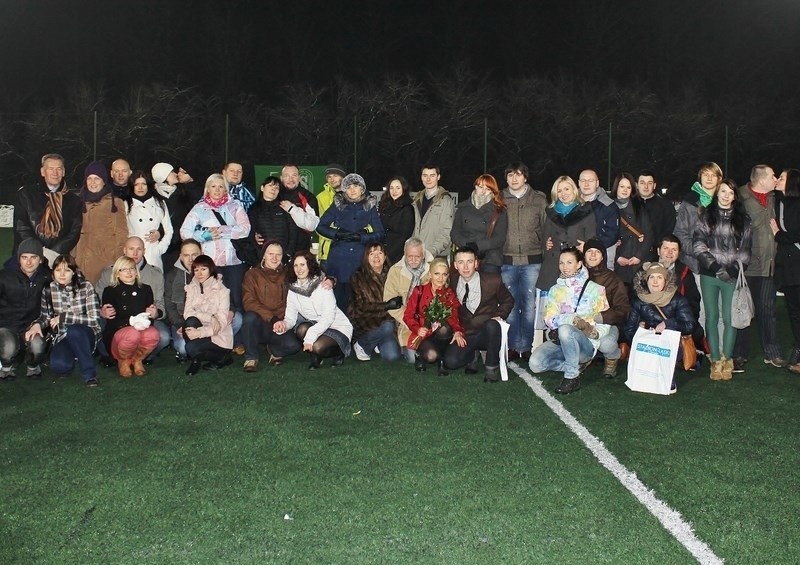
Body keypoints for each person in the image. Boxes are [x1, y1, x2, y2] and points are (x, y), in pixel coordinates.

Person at [528, 247, 609, 394]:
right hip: (560, 341)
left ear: (579, 264)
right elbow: (549, 320)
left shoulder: (596, 289)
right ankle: (575, 366)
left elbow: (605, 321)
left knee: (565, 329)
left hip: (585, 345)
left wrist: (594, 333)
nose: (564, 267)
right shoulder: (555, 290)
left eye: (569, 262)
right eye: (561, 263)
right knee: (535, 365)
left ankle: (571, 377)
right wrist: (571, 318)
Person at [693, 179, 752, 380]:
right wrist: (717, 268)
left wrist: (733, 270)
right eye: (723, 191)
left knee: (729, 318)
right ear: (717, 193)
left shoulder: (743, 219)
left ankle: (727, 360)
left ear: (735, 196)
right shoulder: (705, 215)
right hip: (710, 274)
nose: (726, 195)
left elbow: (745, 251)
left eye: (730, 192)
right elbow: (698, 245)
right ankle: (715, 360)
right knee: (711, 317)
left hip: (732, 276)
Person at [733, 165, 786, 370]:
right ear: (762, 180)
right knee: (743, 310)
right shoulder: (740, 199)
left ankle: (772, 353)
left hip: (769, 266)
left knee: (768, 310)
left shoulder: (775, 198)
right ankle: (739, 353)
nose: (776, 179)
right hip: (747, 267)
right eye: (773, 176)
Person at [180, 173, 252, 312]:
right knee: (213, 301)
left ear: (226, 189)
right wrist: (204, 235)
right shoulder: (199, 208)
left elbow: (245, 229)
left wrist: (221, 231)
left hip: (234, 262)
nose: (217, 190)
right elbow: (184, 232)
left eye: (221, 187)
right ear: (207, 189)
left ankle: (237, 331)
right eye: (213, 186)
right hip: (211, 263)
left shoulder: (235, 206)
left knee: (236, 300)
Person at [443, 247, 514, 382]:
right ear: (455, 265)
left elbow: (508, 300)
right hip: (466, 334)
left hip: (487, 332)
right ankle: (472, 355)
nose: (465, 267)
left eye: (469, 262)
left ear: (476, 263)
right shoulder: (452, 281)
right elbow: (449, 310)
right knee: (451, 362)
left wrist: (499, 315)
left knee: (493, 325)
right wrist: (455, 331)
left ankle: (491, 367)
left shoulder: (493, 280)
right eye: (461, 262)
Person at [316, 173, 385, 310]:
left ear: (362, 189)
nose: (352, 190)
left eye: (356, 186)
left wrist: (362, 237)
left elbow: (380, 234)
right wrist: (337, 234)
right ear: (344, 189)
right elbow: (320, 226)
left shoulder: (369, 207)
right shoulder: (338, 205)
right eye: (348, 187)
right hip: (338, 259)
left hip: (360, 258)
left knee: (358, 300)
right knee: (338, 301)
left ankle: (358, 330)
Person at [97, 236, 170, 363]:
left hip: (145, 319)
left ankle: (142, 357)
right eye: (131, 249)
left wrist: (156, 312)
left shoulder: (155, 274)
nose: (135, 253)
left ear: (144, 251)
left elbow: (160, 303)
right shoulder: (108, 272)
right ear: (124, 250)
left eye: (139, 249)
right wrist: (100, 311)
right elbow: (96, 298)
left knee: (163, 337)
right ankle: (112, 355)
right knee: (98, 328)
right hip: (117, 319)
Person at [501, 162, 547, 362]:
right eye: (510, 174)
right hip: (507, 260)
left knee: (529, 307)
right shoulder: (499, 198)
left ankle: (526, 347)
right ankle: (512, 346)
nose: (514, 178)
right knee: (510, 306)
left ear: (525, 177)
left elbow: (546, 229)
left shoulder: (539, 199)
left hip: (533, 261)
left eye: (518, 174)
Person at [275, 251, 353, 369]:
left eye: (302, 265)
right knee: (301, 329)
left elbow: (328, 318)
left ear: (310, 266)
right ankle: (316, 357)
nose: (299, 269)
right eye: (296, 265)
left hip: (337, 326)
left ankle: (339, 354)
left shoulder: (323, 285)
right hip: (318, 325)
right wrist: (283, 325)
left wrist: (310, 336)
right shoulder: (293, 288)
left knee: (317, 346)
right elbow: (290, 317)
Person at [624, 262, 696, 391]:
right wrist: (642, 331)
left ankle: (668, 379)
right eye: (652, 277)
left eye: (659, 277)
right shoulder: (639, 300)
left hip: (673, 346)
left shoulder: (677, 299)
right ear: (646, 280)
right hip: (648, 346)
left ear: (666, 281)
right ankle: (645, 376)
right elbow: (628, 329)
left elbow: (690, 325)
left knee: (670, 333)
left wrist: (668, 324)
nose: (655, 281)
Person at [36, 255, 101, 386]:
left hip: (87, 333)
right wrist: (36, 325)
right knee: (59, 366)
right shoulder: (48, 289)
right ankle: (77, 352)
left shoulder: (86, 287)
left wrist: (65, 317)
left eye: (67, 270)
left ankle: (89, 374)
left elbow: (94, 320)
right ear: (53, 272)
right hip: (62, 335)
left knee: (74, 330)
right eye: (58, 270)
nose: (62, 274)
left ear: (74, 272)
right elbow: (45, 317)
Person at [240, 241, 304, 371]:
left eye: (278, 255)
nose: (274, 258)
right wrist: (272, 318)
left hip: (280, 324)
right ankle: (251, 357)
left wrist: (330, 279)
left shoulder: (288, 274)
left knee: (294, 346)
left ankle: (275, 350)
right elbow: (249, 302)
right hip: (260, 322)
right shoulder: (252, 274)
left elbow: (310, 274)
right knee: (249, 317)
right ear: (263, 255)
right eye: (271, 254)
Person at [13, 153, 82, 265]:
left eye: (59, 169)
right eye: (50, 169)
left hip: (57, 259)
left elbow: (74, 232)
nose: (55, 173)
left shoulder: (74, 200)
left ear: (63, 172)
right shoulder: (26, 195)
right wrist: (39, 251)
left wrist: (53, 254)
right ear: (42, 171)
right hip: (29, 256)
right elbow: (22, 227)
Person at [0, 239, 51, 381]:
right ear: (18, 259)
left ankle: (33, 366)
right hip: (6, 325)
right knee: (8, 347)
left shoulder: (47, 277)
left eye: (33, 257)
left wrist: (39, 324)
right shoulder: (4, 276)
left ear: (40, 260)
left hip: (32, 325)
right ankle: (6, 367)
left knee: (38, 346)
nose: (29, 262)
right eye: (24, 257)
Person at [101, 256, 160, 378]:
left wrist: (153, 313)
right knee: (132, 334)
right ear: (117, 273)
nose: (129, 272)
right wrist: (131, 321)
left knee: (153, 334)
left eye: (132, 268)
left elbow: (149, 315)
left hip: (141, 327)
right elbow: (111, 320)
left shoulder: (146, 289)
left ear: (136, 271)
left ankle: (138, 359)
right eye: (124, 269)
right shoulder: (110, 291)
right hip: (118, 330)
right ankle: (123, 361)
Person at [403, 257, 463, 374]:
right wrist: (417, 328)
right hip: (424, 335)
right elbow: (408, 315)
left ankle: (442, 361)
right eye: (436, 274)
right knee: (431, 356)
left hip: (443, 335)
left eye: (444, 274)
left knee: (444, 328)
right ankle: (420, 356)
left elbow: (454, 317)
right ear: (430, 274)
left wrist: (457, 331)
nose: (440, 278)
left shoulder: (449, 294)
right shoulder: (419, 291)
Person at [73, 161, 129, 285]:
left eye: (97, 179)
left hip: (105, 262)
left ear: (104, 181)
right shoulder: (78, 203)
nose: (93, 183)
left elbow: (122, 234)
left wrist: (118, 262)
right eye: (89, 178)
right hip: (80, 262)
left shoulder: (114, 203)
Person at [538, 175, 596, 292]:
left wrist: (586, 247)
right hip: (553, 264)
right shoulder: (551, 212)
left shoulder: (585, 211)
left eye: (566, 189)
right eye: (559, 190)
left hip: (576, 262)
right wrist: (546, 243)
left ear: (573, 190)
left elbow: (592, 237)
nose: (563, 193)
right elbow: (545, 235)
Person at [582, 238, 630, 378]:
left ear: (603, 256)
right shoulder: (576, 276)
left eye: (597, 252)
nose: (592, 255)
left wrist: (603, 317)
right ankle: (582, 358)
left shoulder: (613, 278)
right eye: (589, 251)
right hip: (582, 324)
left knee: (606, 344)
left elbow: (624, 309)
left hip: (606, 325)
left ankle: (612, 357)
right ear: (583, 255)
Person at [349, 244, 403, 363]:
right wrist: (386, 306)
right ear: (366, 257)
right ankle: (362, 344)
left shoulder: (392, 273)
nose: (376, 257)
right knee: (388, 326)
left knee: (392, 357)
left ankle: (377, 340)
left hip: (388, 321)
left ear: (385, 256)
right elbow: (360, 307)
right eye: (371, 253)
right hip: (366, 320)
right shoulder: (358, 276)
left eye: (379, 253)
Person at [181, 255, 234, 376]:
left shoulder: (223, 291)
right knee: (190, 321)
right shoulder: (191, 288)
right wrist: (210, 317)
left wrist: (199, 333)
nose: (199, 273)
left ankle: (220, 357)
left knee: (191, 348)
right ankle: (198, 358)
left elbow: (221, 322)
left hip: (218, 335)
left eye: (203, 269)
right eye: (196, 270)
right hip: (199, 328)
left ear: (211, 270)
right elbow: (187, 313)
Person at [384, 237, 433, 362]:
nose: (413, 260)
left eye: (417, 256)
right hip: (405, 321)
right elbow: (390, 302)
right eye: (409, 256)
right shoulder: (395, 271)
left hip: (429, 322)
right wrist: (410, 321)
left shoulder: (433, 270)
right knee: (412, 359)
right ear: (404, 254)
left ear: (423, 255)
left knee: (430, 355)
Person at [771, 168, 800, 373]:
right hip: (787, 267)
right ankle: (798, 349)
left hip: (796, 262)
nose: (777, 180)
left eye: (781, 177)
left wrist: (778, 233)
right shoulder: (777, 201)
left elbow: (794, 235)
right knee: (794, 310)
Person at [450, 173, 508, 273]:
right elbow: (455, 233)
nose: (483, 191)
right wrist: (466, 245)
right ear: (475, 187)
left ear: (493, 191)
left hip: (490, 259)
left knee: (488, 287)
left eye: (488, 188)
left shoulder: (499, 211)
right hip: (465, 257)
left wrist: (478, 246)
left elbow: (500, 238)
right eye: (480, 187)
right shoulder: (462, 209)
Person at [151, 161, 203, 270]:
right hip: (161, 244)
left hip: (180, 245)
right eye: (171, 172)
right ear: (163, 177)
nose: (176, 174)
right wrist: (160, 233)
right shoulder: (153, 197)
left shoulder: (183, 192)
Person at [611, 172, 652, 289]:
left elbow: (648, 233)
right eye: (622, 186)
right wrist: (616, 257)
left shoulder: (639, 207)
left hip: (636, 261)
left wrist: (639, 256)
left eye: (628, 187)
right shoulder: (609, 207)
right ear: (616, 187)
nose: (625, 190)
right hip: (617, 261)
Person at [125, 170, 172, 273]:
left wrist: (160, 249)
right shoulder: (126, 204)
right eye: (137, 184)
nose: (140, 188)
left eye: (144, 184)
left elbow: (169, 229)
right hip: (133, 254)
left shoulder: (159, 203)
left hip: (152, 253)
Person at [165, 239, 202, 362]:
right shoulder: (172, 276)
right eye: (186, 255)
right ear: (180, 256)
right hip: (182, 321)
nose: (191, 259)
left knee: (236, 320)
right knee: (183, 348)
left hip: (207, 320)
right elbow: (169, 306)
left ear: (201, 253)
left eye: (194, 254)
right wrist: (180, 325)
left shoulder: (212, 272)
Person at [247, 175, 297, 264]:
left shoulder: (284, 206)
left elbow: (293, 230)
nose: (273, 189)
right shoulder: (254, 209)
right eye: (270, 186)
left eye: (277, 188)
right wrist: (259, 255)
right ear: (262, 188)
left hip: (283, 257)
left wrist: (288, 253)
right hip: (262, 258)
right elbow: (250, 234)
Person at [578, 169, 619, 266]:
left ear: (597, 183)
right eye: (583, 181)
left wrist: (589, 246)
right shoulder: (571, 203)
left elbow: (612, 233)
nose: (586, 184)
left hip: (601, 257)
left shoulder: (608, 205)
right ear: (579, 183)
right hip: (576, 256)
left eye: (590, 181)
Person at [413, 164, 454, 259]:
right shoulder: (417, 199)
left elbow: (447, 232)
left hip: (436, 256)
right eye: (425, 175)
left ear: (438, 177)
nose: (428, 179)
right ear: (421, 177)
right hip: (417, 255)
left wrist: (431, 252)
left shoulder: (445, 201)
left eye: (432, 175)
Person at [637, 169, 676, 258]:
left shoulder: (666, 206)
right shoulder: (630, 204)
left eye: (649, 183)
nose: (646, 186)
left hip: (656, 254)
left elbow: (669, 231)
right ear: (637, 185)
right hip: (632, 254)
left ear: (654, 185)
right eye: (642, 183)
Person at [279, 164, 319, 252]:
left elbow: (312, 225)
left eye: (294, 175)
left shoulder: (308, 197)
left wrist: (292, 210)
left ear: (299, 177)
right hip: (277, 251)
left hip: (300, 251)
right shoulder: (275, 195)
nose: (290, 179)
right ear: (281, 178)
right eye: (286, 176)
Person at [378, 176, 415, 265]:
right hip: (382, 252)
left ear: (403, 189)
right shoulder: (384, 206)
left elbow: (404, 236)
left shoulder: (407, 208)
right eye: (392, 188)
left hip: (397, 254)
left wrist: (389, 254)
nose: (394, 191)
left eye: (398, 188)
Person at [317, 163, 346, 262]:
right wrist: (337, 235)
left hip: (350, 249)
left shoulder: (353, 194)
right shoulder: (320, 197)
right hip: (327, 252)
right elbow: (318, 225)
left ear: (343, 177)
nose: (332, 179)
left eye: (335, 176)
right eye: (329, 177)